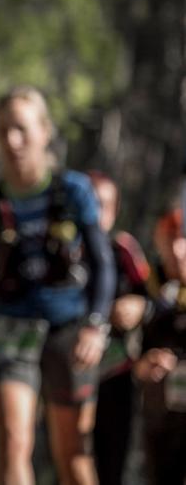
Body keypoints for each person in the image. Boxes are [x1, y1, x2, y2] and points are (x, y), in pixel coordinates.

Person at [0, 87, 114, 485]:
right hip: (8, 333)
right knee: (12, 443)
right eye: (3, 131)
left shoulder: (74, 192)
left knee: (72, 451)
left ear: (44, 132)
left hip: (68, 331)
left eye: (21, 129)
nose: (12, 141)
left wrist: (96, 324)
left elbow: (102, 263)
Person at [88, 171, 150, 485]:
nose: (97, 213)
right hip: (70, 376)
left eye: (104, 205)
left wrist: (137, 308)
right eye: (91, 203)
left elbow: (151, 300)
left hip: (116, 374)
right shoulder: (63, 250)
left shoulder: (123, 251)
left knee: (113, 463)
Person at [134, 204, 186, 485]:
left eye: (182, 241)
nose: (177, 251)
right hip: (161, 413)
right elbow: (132, 354)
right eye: (170, 241)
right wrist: (144, 363)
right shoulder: (147, 289)